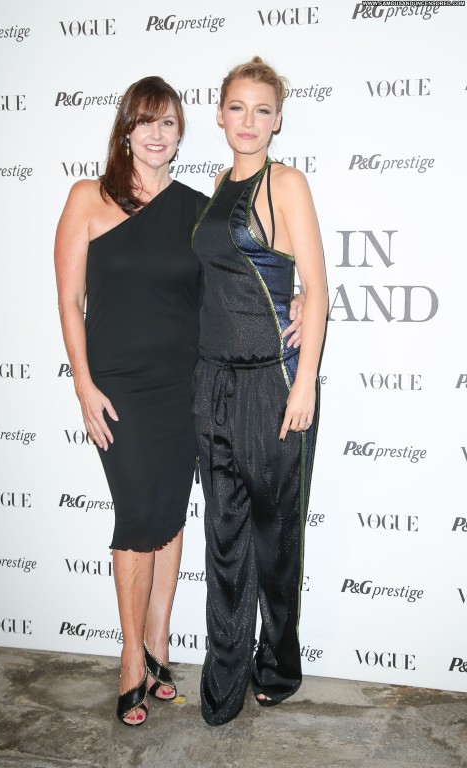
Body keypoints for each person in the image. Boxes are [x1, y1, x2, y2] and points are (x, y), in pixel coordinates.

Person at [54, 76, 304, 727]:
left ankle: (159, 647)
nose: (157, 134)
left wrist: (300, 297)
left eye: (168, 123)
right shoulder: (87, 198)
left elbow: (243, 273)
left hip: (187, 386)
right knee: (139, 519)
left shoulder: (198, 208)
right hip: (119, 389)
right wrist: (82, 383)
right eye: (145, 121)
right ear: (126, 129)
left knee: (168, 519)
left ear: (182, 131)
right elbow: (69, 301)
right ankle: (129, 660)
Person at [192, 57, 328, 726]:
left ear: (278, 120)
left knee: (275, 540)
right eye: (237, 108)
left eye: (263, 110)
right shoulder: (219, 184)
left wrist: (303, 385)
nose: (249, 121)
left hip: (273, 383)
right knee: (224, 537)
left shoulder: (287, 183)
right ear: (220, 114)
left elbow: (317, 290)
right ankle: (224, 677)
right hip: (213, 382)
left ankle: (277, 666)